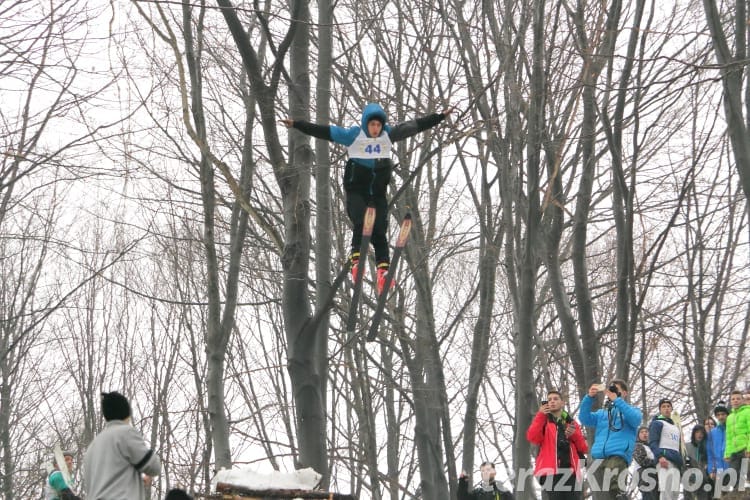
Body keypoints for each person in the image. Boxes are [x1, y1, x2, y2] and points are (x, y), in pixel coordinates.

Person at [280, 104, 454, 294]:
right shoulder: (354, 136)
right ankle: (356, 258)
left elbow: (414, 126)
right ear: (366, 124)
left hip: (377, 192)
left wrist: (439, 117)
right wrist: (298, 124)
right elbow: (324, 131)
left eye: (378, 126)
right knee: (360, 220)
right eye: (372, 125)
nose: (375, 129)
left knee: (379, 229)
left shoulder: (389, 134)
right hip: (356, 189)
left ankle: (383, 270)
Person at [83, 391, 162, 500]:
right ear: (127, 412)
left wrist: (135, 481)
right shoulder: (125, 433)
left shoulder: (92, 447)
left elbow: (106, 483)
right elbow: (154, 467)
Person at [579, 380, 642, 500]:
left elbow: (635, 420)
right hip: (598, 458)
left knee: (616, 490)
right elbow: (584, 418)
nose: (612, 392)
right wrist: (589, 397)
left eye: (616, 389)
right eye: (610, 389)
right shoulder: (602, 414)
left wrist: (617, 401)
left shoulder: (631, 410)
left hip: (617, 456)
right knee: (600, 495)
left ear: (624, 393)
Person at [526, 390, 588, 499]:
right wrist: (540, 415)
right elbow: (532, 437)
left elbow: (583, 448)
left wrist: (573, 435)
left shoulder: (571, 423)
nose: (552, 401)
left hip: (571, 471)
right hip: (550, 471)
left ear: (562, 403)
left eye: (555, 399)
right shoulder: (543, 421)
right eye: (549, 399)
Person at [648, 398, 683, 500]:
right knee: (666, 491)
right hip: (664, 460)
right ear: (660, 410)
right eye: (663, 407)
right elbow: (653, 443)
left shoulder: (675, 427)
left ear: (671, 408)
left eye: (668, 406)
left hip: (676, 461)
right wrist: (660, 457)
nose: (666, 409)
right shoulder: (657, 423)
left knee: (674, 493)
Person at [724, 390, 749, 491]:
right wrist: (727, 453)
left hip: (744, 448)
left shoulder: (748, 412)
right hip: (734, 450)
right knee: (733, 472)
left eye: (738, 399)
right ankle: (738, 491)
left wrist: (749, 448)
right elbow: (729, 437)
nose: (736, 401)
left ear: (742, 400)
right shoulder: (729, 417)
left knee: (746, 470)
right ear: (730, 402)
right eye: (733, 399)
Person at [707, 402, 730, 492]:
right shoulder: (712, 433)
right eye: (718, 415)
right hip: (718, 471)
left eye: (723, 414)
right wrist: (711, 470)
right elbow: (710, 454)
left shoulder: (732, 428)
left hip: (732, 467)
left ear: (727, 415)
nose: (721, 417)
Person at [631, 426, 658, 500]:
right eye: (642, 432)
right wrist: (657, 462)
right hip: (644, 475)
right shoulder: (637, 446)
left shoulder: (652, 447)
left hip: (655, 476)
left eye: (646, 432)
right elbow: (643, 461)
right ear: (638, 435)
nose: (644, 434)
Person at [685, 425, 711, 500]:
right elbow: (685, 463)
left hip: (704, 480)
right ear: (694, 433)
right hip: (690, 479)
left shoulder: (706, 448)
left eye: (702, 433)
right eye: (697, 432)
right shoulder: (687, 447)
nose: (699, 434)